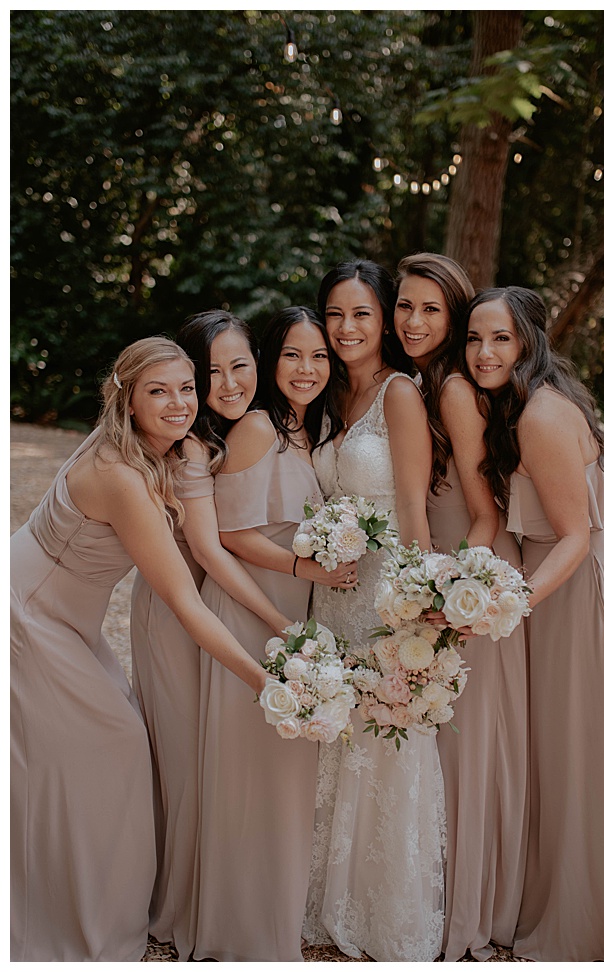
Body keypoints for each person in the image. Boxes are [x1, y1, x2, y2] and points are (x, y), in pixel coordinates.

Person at [11, 337, 276, 961]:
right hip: (29, 617)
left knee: (100, 745)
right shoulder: (120, 476)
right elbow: (185, 602)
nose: (178, 403)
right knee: (112, 744)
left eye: (186, 387)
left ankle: (72, 897)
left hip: (66, 618)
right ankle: (71, 918)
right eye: (158, 391)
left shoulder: (161, 446)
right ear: (126, 401)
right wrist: (265, 679)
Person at [465, 286, 604, 960]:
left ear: (530, 342)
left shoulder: (539, 415)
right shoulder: (527, 404)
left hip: (578, 587)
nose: (485, 352)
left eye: (501, 339)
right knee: (579, 749)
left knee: (585, 750)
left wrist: (508, 605)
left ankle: (597, 920)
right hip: (572, 581)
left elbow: (572, 536)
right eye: (475, 339)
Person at [130, 311, 296, 959]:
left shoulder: (230, 431)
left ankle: (195, 901)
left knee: (205, 765)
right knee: (184, 763)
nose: (228, 383)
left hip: (208, 605)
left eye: (240, 366)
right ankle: (176, 912)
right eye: (211, 372)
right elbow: (209, 547)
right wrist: (285, 622)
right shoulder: (193, 444)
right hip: (176, 615)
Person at [191, 307, 351, 961]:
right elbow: (228, 536)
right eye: (292, 355)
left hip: (289, 610)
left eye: (318, 356)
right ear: (270, 360)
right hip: (252, 609)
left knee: (279, 773)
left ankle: (270, 918)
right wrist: (300, 571)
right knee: (248, 774)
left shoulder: (304, 428)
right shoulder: (259, 427)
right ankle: (242, 932)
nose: (307, 369)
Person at [303, 260, 446, 961]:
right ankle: (325, 899)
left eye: (361, 314)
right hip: (332, 591)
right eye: (334, 315)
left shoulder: (399, 395)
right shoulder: (328, 392)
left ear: (383, 318)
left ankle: (380, 910)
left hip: (385, 591)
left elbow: (415, 507)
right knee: (338, 737)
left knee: (383, 736)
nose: (346, 328)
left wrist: (420, 617)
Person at [394, 252, 528, 960]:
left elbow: (486, 512)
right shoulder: (421, 384)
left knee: (468, 746)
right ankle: (444, 895)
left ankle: (467, 912)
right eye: (405, 306)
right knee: (446, 746)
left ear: (454, 316)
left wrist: (451, 598)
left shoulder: (448, 390)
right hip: (445, 575)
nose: (414, 321)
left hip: (463, 579)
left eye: (431, 309)